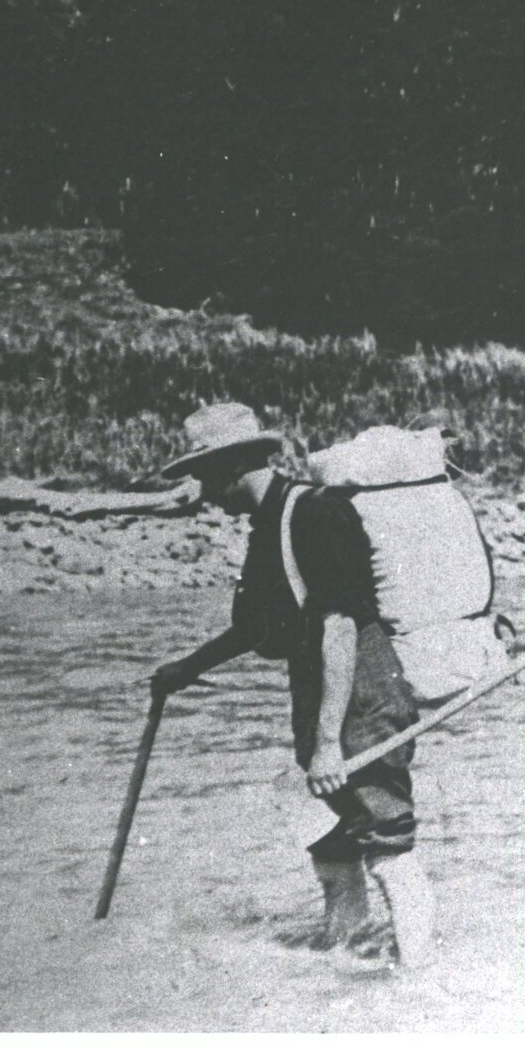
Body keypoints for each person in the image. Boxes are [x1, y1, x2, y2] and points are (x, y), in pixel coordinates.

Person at [147, 401, 437, 967]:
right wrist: (187, 667)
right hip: (319, 690)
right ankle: (343, 958)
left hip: (363, 691)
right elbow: (257, 627)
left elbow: (340, 626)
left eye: (205, 476)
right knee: (327, 833)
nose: (203, 493)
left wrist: (328, 743)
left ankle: (419, 977)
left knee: (385, 837)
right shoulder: (269, 524)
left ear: (234, 466)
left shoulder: (315, 513)